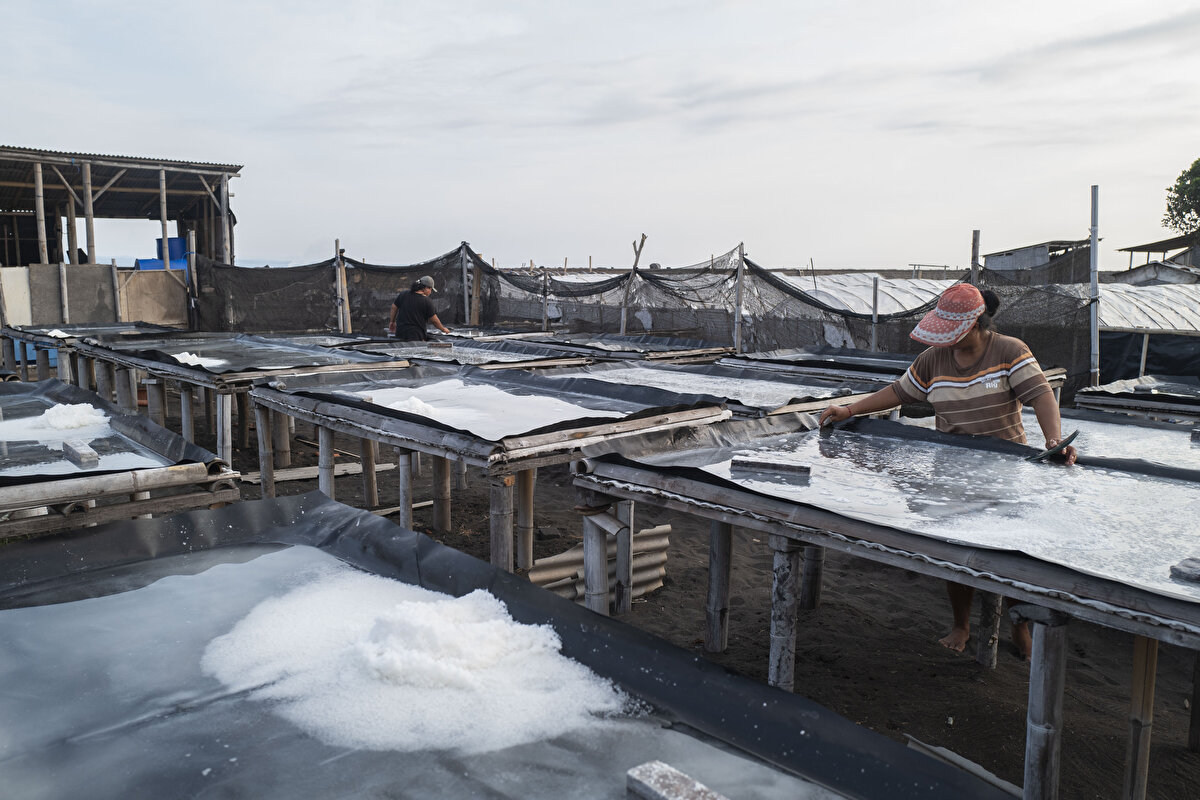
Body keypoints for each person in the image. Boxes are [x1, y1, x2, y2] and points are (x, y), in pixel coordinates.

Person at [817, 283, 1076, 660]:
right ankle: (962, 624)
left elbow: (1040, 395)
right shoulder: (933, 359)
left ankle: (1019, 625)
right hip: (951, 472)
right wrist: (851, 409)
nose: (949, 340)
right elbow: (900, 392)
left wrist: (1053, 440)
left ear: (976, 323)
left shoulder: (1009, 350)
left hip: (1005, 470)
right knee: (959, 550)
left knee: (1011, 551)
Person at [388, 275, 450, 341]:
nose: (430, 292)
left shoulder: (404, 294)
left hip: (400, 333)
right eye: (431, 289)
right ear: (426, 288)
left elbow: (394, 307)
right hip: (416, 336)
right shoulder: (427, 301)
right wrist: (443, 329)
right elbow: (434, 321)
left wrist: (392, 321)